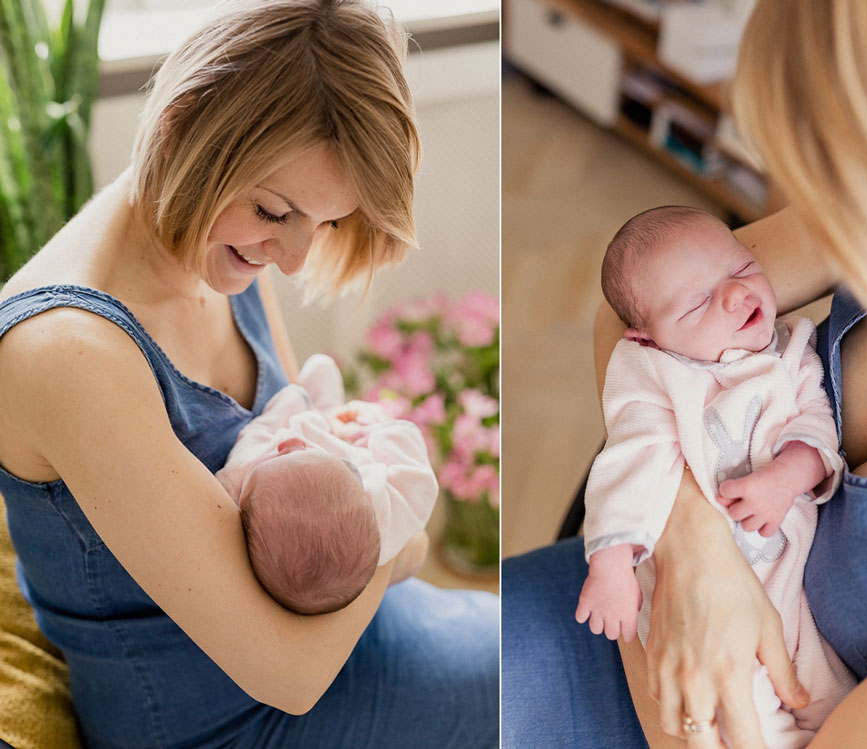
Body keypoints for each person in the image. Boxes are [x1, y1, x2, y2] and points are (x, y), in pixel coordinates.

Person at [502, 0, 867, 747]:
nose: (820, 203)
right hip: (628, 590)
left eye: (833, 157)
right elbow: (634, 315)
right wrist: (694, 553)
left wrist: (688, 654)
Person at [0, 1, 498, 746]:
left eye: (326, 222)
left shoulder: (222, 247)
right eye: (275, 209)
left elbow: (317, 445)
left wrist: (381, 537)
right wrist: (394, 529)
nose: (295, 258)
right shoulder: (67, 351)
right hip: (222, 722)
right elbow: (290, 674)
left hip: (342, 648)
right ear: (184, 125)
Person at [575, 207, 853, 746]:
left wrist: (788, 476)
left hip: (790, 587)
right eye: (699, 302)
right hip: (694, 609)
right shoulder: (655, 374)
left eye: (745, 268)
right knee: (744, 719)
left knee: (829, 699)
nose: (734, 295)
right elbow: (631, 461)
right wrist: (610, 561)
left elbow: (816, 424)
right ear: (648, 337)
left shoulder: (790, 352)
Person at [217, 353, 438, 615]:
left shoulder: (240, 478)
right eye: (297, 451)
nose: (291, 442)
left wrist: (292, 401)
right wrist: (377, 431)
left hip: (314, 423)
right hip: (345, 442)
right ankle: (322, 409)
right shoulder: (377, 515)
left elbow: (260, 430)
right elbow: (416, 480)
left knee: (309, 396)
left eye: (281, 455)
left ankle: (316, 405)